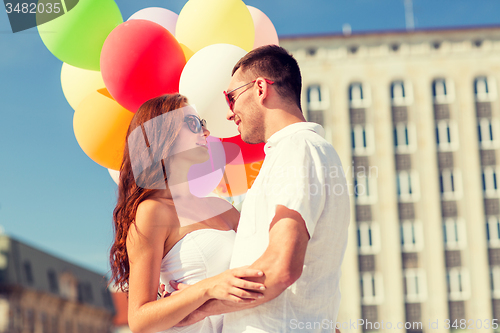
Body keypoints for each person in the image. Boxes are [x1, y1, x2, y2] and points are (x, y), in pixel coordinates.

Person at [173, 45, 350, 332]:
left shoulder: (298, 148)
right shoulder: (302, 151)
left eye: (231, 98)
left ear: (259, 88)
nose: (229, 114)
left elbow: (280, 266)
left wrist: (193, 308)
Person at [109, 94, 267, 333]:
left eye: (202, 123)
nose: (206, 132)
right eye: (193, 124)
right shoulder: (152, 212)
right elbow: (140, 319)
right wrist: (208, 287)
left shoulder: (223, 207)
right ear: (163, 133)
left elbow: (268, 262)